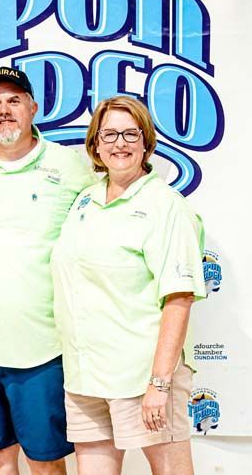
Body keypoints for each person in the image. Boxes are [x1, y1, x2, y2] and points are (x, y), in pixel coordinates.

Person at [0, 67, 96, 473]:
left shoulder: (68, 167)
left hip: (41, 348)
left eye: (14, 100)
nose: (4, 110)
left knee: (45, 463)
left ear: (33, 107)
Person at [51, 95, 206, 475]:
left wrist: (160, 384)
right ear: (95, 145)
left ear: (146, 143)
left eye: (130, 134)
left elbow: (178, 298)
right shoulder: (85, 200)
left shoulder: (165, 205)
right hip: (85, 378)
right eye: (110, 135)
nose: (120, 143)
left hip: (141, 377)